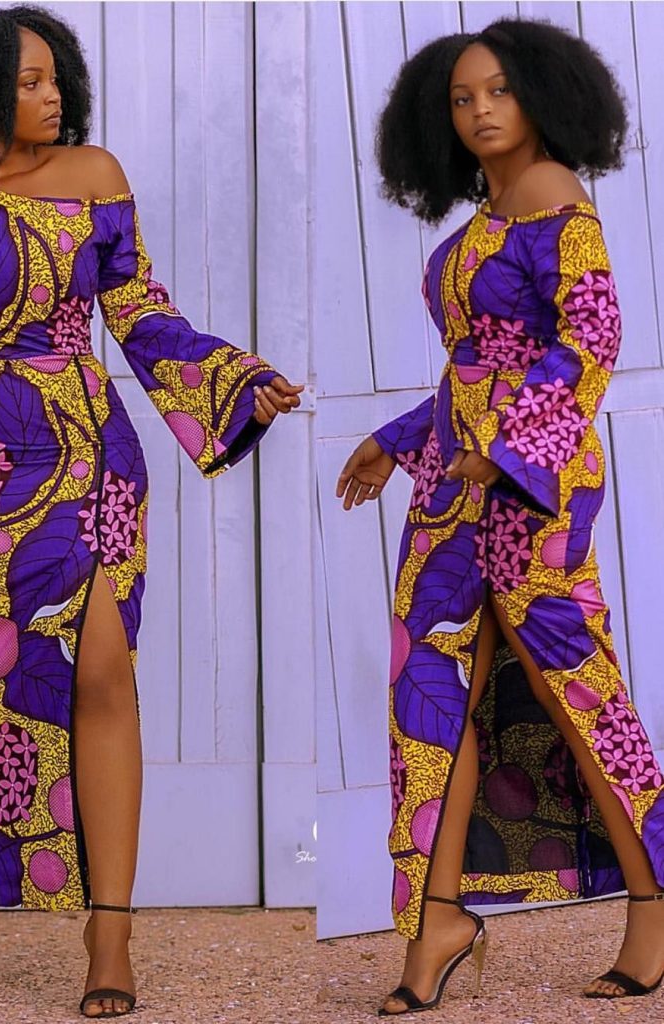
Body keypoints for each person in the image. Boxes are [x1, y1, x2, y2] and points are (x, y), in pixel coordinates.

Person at [0, 5, 303, 1018]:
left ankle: (110, 936)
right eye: (30, 82)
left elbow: (137, 310)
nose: (54, 96)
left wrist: (232, 375)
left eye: (57, 77)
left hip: (88, 454)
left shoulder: (94, 175)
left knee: (102, 672)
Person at [335, 16, 664, 1015]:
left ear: (542, 97)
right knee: (429, 689)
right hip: (451, 487)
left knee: (576, 691)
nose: (479, 110)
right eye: (461, 98)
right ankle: (437, 919)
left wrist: (511, 453)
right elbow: (475, 367)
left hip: (533, 490)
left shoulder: (557, 194)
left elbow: (589, 341)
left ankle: (654, 906)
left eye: (499, 91)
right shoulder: (485, 215)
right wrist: (399, 437)